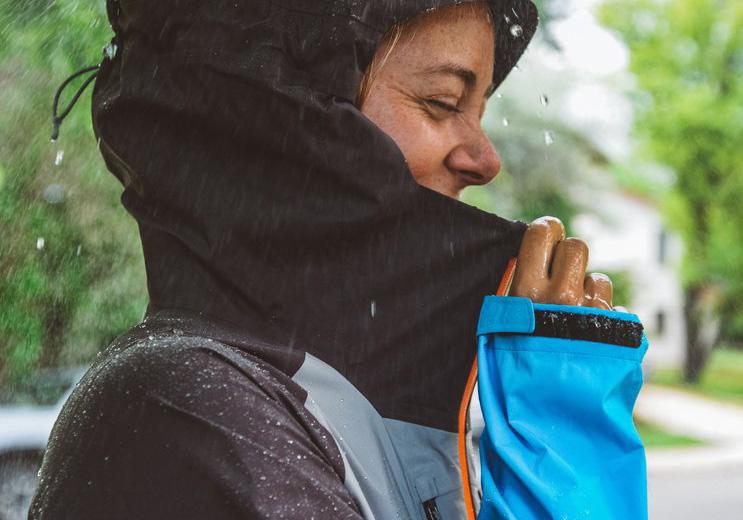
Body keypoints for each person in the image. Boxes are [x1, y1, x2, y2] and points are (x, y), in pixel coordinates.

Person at [30, 1, 631, 519]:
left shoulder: (340, 397)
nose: (486, 159)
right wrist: (561, 448)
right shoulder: (190, 414)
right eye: (442, 102)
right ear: (284, 108)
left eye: (480, 113)